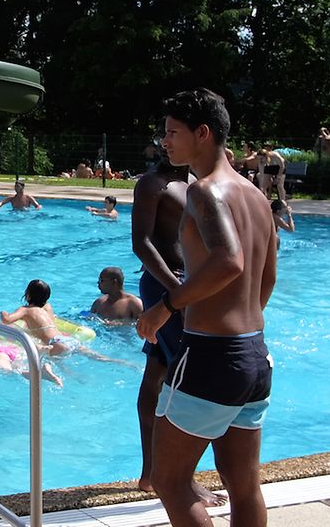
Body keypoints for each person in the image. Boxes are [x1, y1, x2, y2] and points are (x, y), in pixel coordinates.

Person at [137, 88, 278, 527]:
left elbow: (228, 260)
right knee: (243, 483)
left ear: (203, 133)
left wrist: (166, 306)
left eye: (173, 132)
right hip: (255, 354)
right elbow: (267, 276)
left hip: (213, 356)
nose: (165, 141)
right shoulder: (255, 196)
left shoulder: (204, 191)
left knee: (170, 479)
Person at [129, 136, 206, 502]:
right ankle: (171, 476)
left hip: (184, 285)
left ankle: (153, 474)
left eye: (175, 134)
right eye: (164, 136)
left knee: (159, 370)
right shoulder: (152, 183)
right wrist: (177, 291)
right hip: (165, 286)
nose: (166, 142)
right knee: (181, 378)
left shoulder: (191, 183)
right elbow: (142, 244)